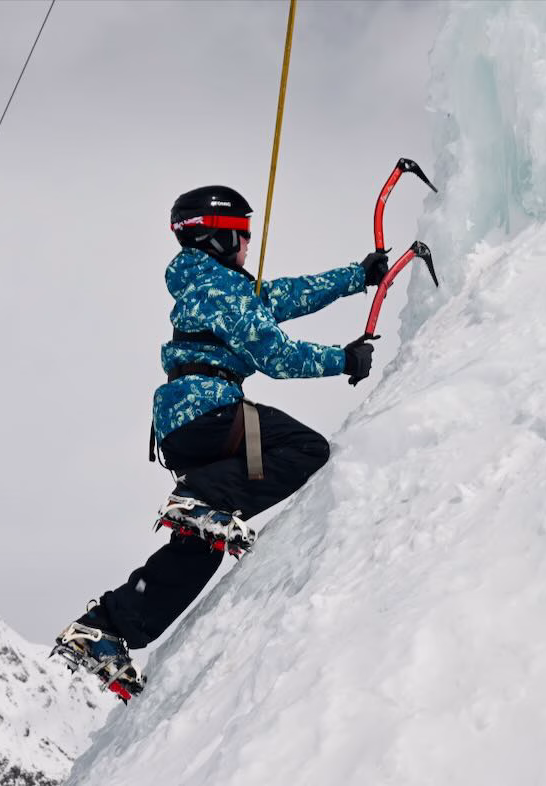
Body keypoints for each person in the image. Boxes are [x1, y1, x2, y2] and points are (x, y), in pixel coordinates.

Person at [53, 185, 387, 696]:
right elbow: (275, 356)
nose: (249, 246)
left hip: (184, 425)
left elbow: (285, 296)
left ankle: (110, 627)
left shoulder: (211, 287)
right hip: (211, 412)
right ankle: (206, 497)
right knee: (306, 449)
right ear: (218, 237)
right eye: (243, 236)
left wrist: (356, 278)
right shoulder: (223, 292)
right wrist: (343, 360)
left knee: (202, 546)